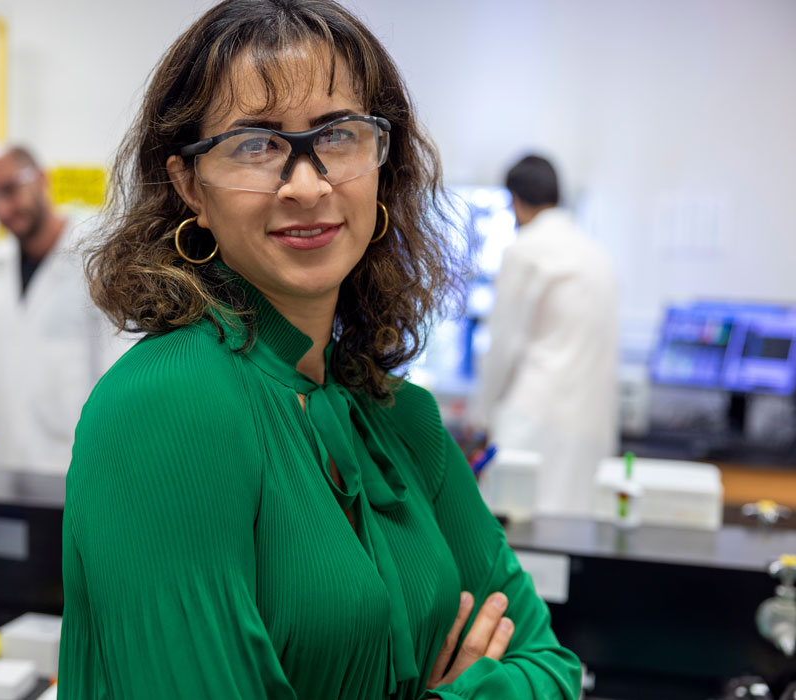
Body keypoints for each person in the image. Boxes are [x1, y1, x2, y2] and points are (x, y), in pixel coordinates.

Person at [59, 2, 581, 698]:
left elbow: (551, 667)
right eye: (255, 143)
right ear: (190, 185)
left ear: (381, 161)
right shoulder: (165, 405)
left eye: (337, 136)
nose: (308, 185)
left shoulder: (402, 421)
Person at [0, 145, 135, 477]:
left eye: (9, 190)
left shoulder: (100, 261)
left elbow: (118, 376)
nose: (2, 208)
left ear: (42, 179)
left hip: (75, 468)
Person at [478, 155, 619, 517]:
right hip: (589, 427)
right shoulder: (596, 253)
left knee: (514, 534)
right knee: (570, 536)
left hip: (532, 420)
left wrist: (480, 416)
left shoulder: (524, 250)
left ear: (515, 201)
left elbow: (504, 345)